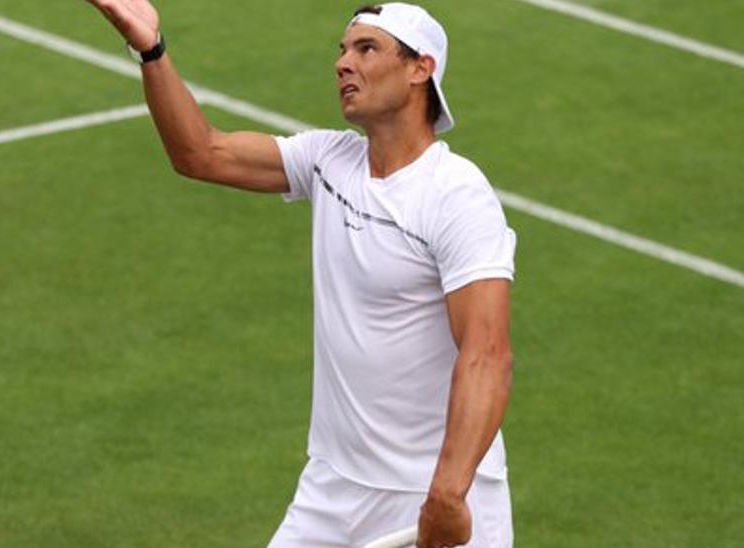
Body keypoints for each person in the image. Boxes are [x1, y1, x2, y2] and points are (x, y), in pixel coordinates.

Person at [85, 1, 517, 546]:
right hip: (333, 490)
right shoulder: (327, 160)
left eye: (366, 48)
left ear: (420, 69)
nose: (342, 63)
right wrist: (151, 49)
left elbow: (487, 353)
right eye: (342, 49)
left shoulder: (456, 195)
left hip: (434, 495)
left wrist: (450, 493)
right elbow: (201, 153)